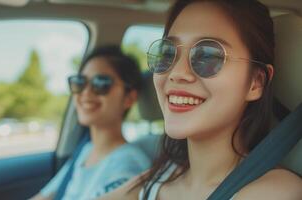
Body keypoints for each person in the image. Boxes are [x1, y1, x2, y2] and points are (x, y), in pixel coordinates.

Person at [99, 0, 302, 200]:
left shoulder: (276, 192)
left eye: (208, 56)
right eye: (168, 53)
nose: (176, 72)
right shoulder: (158, 178)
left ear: (255, 82)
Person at [31, 45, 151, 200]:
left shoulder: (129, 165)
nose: (86, 92)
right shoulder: (86, 150)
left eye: (101, 83)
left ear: (129, 98)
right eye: (80, 82)